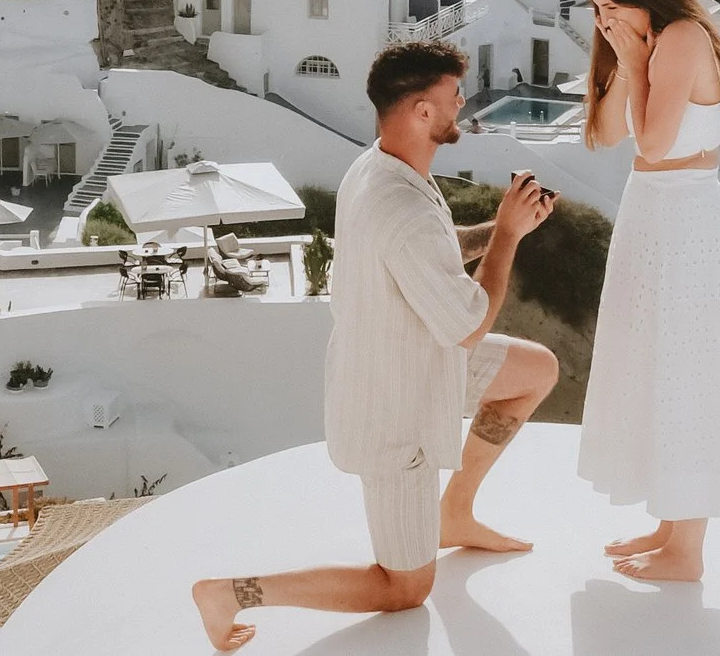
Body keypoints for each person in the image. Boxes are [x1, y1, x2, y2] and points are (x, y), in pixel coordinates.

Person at [193, 39, 560, 651]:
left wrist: (500, 225)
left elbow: (431, 253)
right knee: (403, 588)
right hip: (394, 417)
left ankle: (455, 512)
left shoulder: (377, 167)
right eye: (452, 97)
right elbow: (467, 323)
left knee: (534, 370)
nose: (463, 105)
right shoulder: (402, 207)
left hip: (418, 367)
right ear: (420, 111)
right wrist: (509, 241)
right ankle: (230, 593)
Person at [576, 0, 720, 583]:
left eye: (611, 4)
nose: (604, 18)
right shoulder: (641, 45)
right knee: (657, 369)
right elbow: (603, 134)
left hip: (686, 220)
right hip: (649, 215)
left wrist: (631, 61)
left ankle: (688, 550)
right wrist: (619, 53)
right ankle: (667, 526)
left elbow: (654, 144)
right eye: (595, 7)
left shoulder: (682, 36)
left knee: (691, 376)